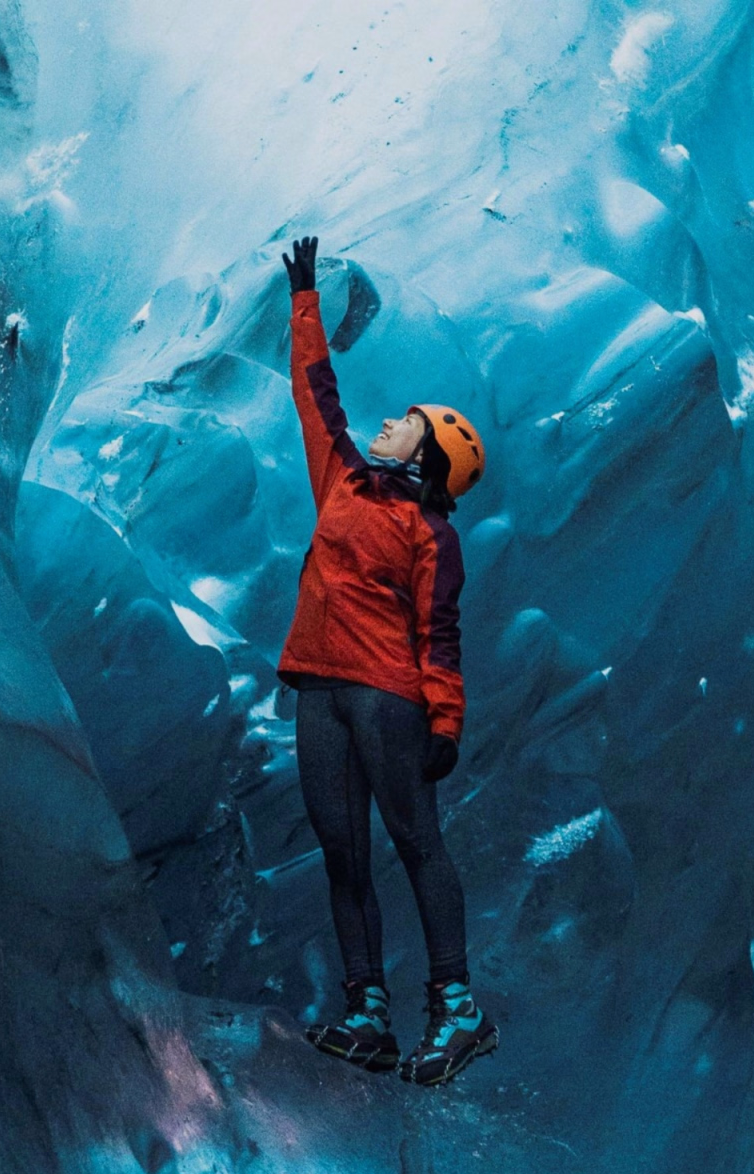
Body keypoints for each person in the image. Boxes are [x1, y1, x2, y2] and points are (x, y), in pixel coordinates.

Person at [275, 235, 497, 1087]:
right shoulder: (342, 479)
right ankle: (369, 1012)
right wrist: (304, 299)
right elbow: (314, 394)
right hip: (320, 689)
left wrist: (445, 718)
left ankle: (457, 1010)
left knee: (415, 844)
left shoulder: (430, 533)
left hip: (386, 698)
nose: (389, 421)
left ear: (429, 454)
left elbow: (441, 635)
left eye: (408, 422)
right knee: (343, 852)